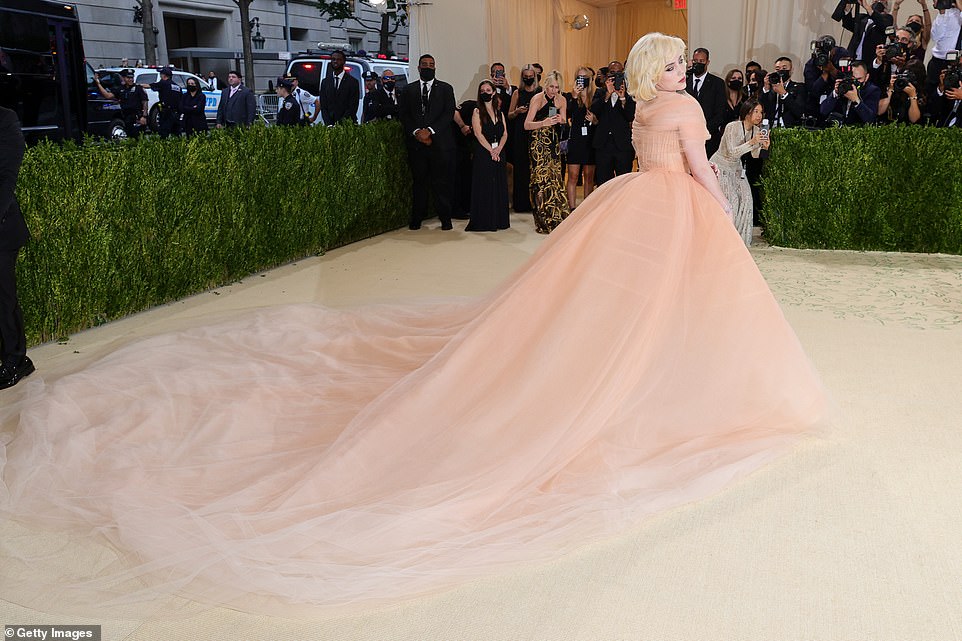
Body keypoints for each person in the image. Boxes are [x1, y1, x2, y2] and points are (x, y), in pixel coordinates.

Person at [0, 32, 826, 617]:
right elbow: (700, 177)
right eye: (676, 61)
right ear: (662, 70)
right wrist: (726, 222)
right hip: (672, 215)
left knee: (618, 308)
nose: (684, 69)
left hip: (628, 213)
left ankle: (646, 371)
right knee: (670, 306)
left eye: (682, 61)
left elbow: (650, 157)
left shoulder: (649, 110)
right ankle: (661, 384)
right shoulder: (680, 116)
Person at [397, 53, 456, 230]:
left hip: (439, 145)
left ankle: (445, 219)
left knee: (441, 183)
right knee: (419, 183)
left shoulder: (446, 89)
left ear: (435, 67)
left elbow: (448, 113)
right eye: (424, 64)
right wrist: (417, 132)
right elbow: (404, 114)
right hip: (416, 146)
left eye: (431, 64)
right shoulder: (408, 90)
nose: (428, 67)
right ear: (418, 67)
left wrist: (429, 131)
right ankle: (417, 218)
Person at [0, 106, 33, 390]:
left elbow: (7, 178)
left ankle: (16, 360)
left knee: (3, 298)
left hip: (2, 229)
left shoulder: (5, 118)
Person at [709, 100, 769, 246]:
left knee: (747, 199)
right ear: (747, 112)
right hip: (720, 166)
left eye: (761, 112)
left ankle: (741, 241)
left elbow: (754, 155)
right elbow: (732, 152)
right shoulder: (732, 127)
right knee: (732, 202)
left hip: (736, 168)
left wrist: (764, 148)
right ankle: (724, 240)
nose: (759, 115)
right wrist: (752, 142)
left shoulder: (756, 131)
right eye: (756, 111)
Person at [524, 70, 570, 233]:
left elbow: (564, 120)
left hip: (553, 141)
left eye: (557, 87)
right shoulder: (537, 99)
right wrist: (543, 123)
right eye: (551, 86)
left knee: (555, 177)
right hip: (537, 142)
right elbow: (527, 124)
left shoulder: (561, 99)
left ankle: (556, 215)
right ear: (545, 85)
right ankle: (543, 217)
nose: (554, 90)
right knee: (540, 179)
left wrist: (559, 120)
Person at [465, 80, 509, 232]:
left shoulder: (500, 112)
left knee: (499, 185)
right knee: (485, 185)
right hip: (484, 153)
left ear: (494, 92)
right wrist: (491, 150)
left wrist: (498, 150)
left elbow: (505, 133)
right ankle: (484, 220)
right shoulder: (477, 111)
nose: (485, 92)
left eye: (488, 90)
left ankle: (499, 220)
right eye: (482, 90)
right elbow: (478, 133)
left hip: (499, 153)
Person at [591, 63, 636, 185]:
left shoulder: (629, 92)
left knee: (623, 182)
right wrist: (607, 94)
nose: (615, 76)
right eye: (612, 73)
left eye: (619, 73)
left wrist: (622, 99)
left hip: (622, 145)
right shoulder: (600, 92)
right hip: (603, 145)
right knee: (603, 182)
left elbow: (630, 116)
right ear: (607, 75)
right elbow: (594, 110)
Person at [508, 65, 541, 212]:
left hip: (536, 133)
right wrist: (517, 111)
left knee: (536, 168)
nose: (528, 78)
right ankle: (521, 204)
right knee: (521, 169)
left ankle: (538, 203)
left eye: (530, 76)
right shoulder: (517, 93)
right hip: (520, 133)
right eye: (525, 76)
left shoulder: (540, 92)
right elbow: (509, 115)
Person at [564, 66, 598, 210]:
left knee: (589, 177)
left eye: (584, 78)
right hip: (576, 140)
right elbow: (567, 114)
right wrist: (574, 96)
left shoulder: (596, 97)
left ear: (590, 79)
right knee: (573, 175)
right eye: (579, 77)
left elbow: (600, 120)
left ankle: (586, 208)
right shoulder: (570, 96)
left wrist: (595, 120)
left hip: (590, 141)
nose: (581, 80)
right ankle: (572, 208)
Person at [685, 48, 727, 157]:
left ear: (707, 62)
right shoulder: (684, 82)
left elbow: (720, 113)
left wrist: (703, 130)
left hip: (709, 138)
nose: (697, 64)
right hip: (686, 137)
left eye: (701, 61)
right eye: (695, 61)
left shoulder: (717, 83)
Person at [820, 59, 882, 124]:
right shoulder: (843, 86)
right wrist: (835, 93)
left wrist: (856, 101)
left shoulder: (872, 90)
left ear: (866, 77)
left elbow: (870, 119)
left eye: (859, 79)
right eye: (853, 78)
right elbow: (823, 111)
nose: (855, 82)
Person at [93, 69, 147, 137]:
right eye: (128, 78)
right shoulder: (120, 89)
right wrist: (98, 83)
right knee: (129, 136)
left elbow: (145, 102)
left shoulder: (138, 88)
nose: (130, 80)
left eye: (132, 78)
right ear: (123, 78)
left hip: (137, 117)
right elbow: (108, 95)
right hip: (126, 117)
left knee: (138, 137)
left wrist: (144, 116)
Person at [760, 57, 808, 128]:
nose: (781, 71)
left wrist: (784, 94)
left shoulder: (799, 88)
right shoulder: (771, 89)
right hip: (770, 127)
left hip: (789, 128)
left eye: (784, 68)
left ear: (791, 70)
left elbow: (799, 112)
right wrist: (766, 89)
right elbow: (762, 108)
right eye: (777, 69)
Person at [318, 50, 360, 125]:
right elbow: (323, 106)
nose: (335, 61)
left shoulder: (353, 82)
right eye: (333, 59)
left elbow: (353, 106)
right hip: (330, 125)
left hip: (347, 125)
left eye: (338, 59)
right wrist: (329, 124)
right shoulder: (325, 82)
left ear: (344, 62)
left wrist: (340, 124)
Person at [143, 67, 181, 138]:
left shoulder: (163, 83)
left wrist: (137, 85)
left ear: (164, 75)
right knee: (176, 133)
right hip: (176, 113)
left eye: (161, 74)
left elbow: (149, 86)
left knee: (164, 133)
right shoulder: (177, 86)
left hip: (166, 112)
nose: (160, 76)